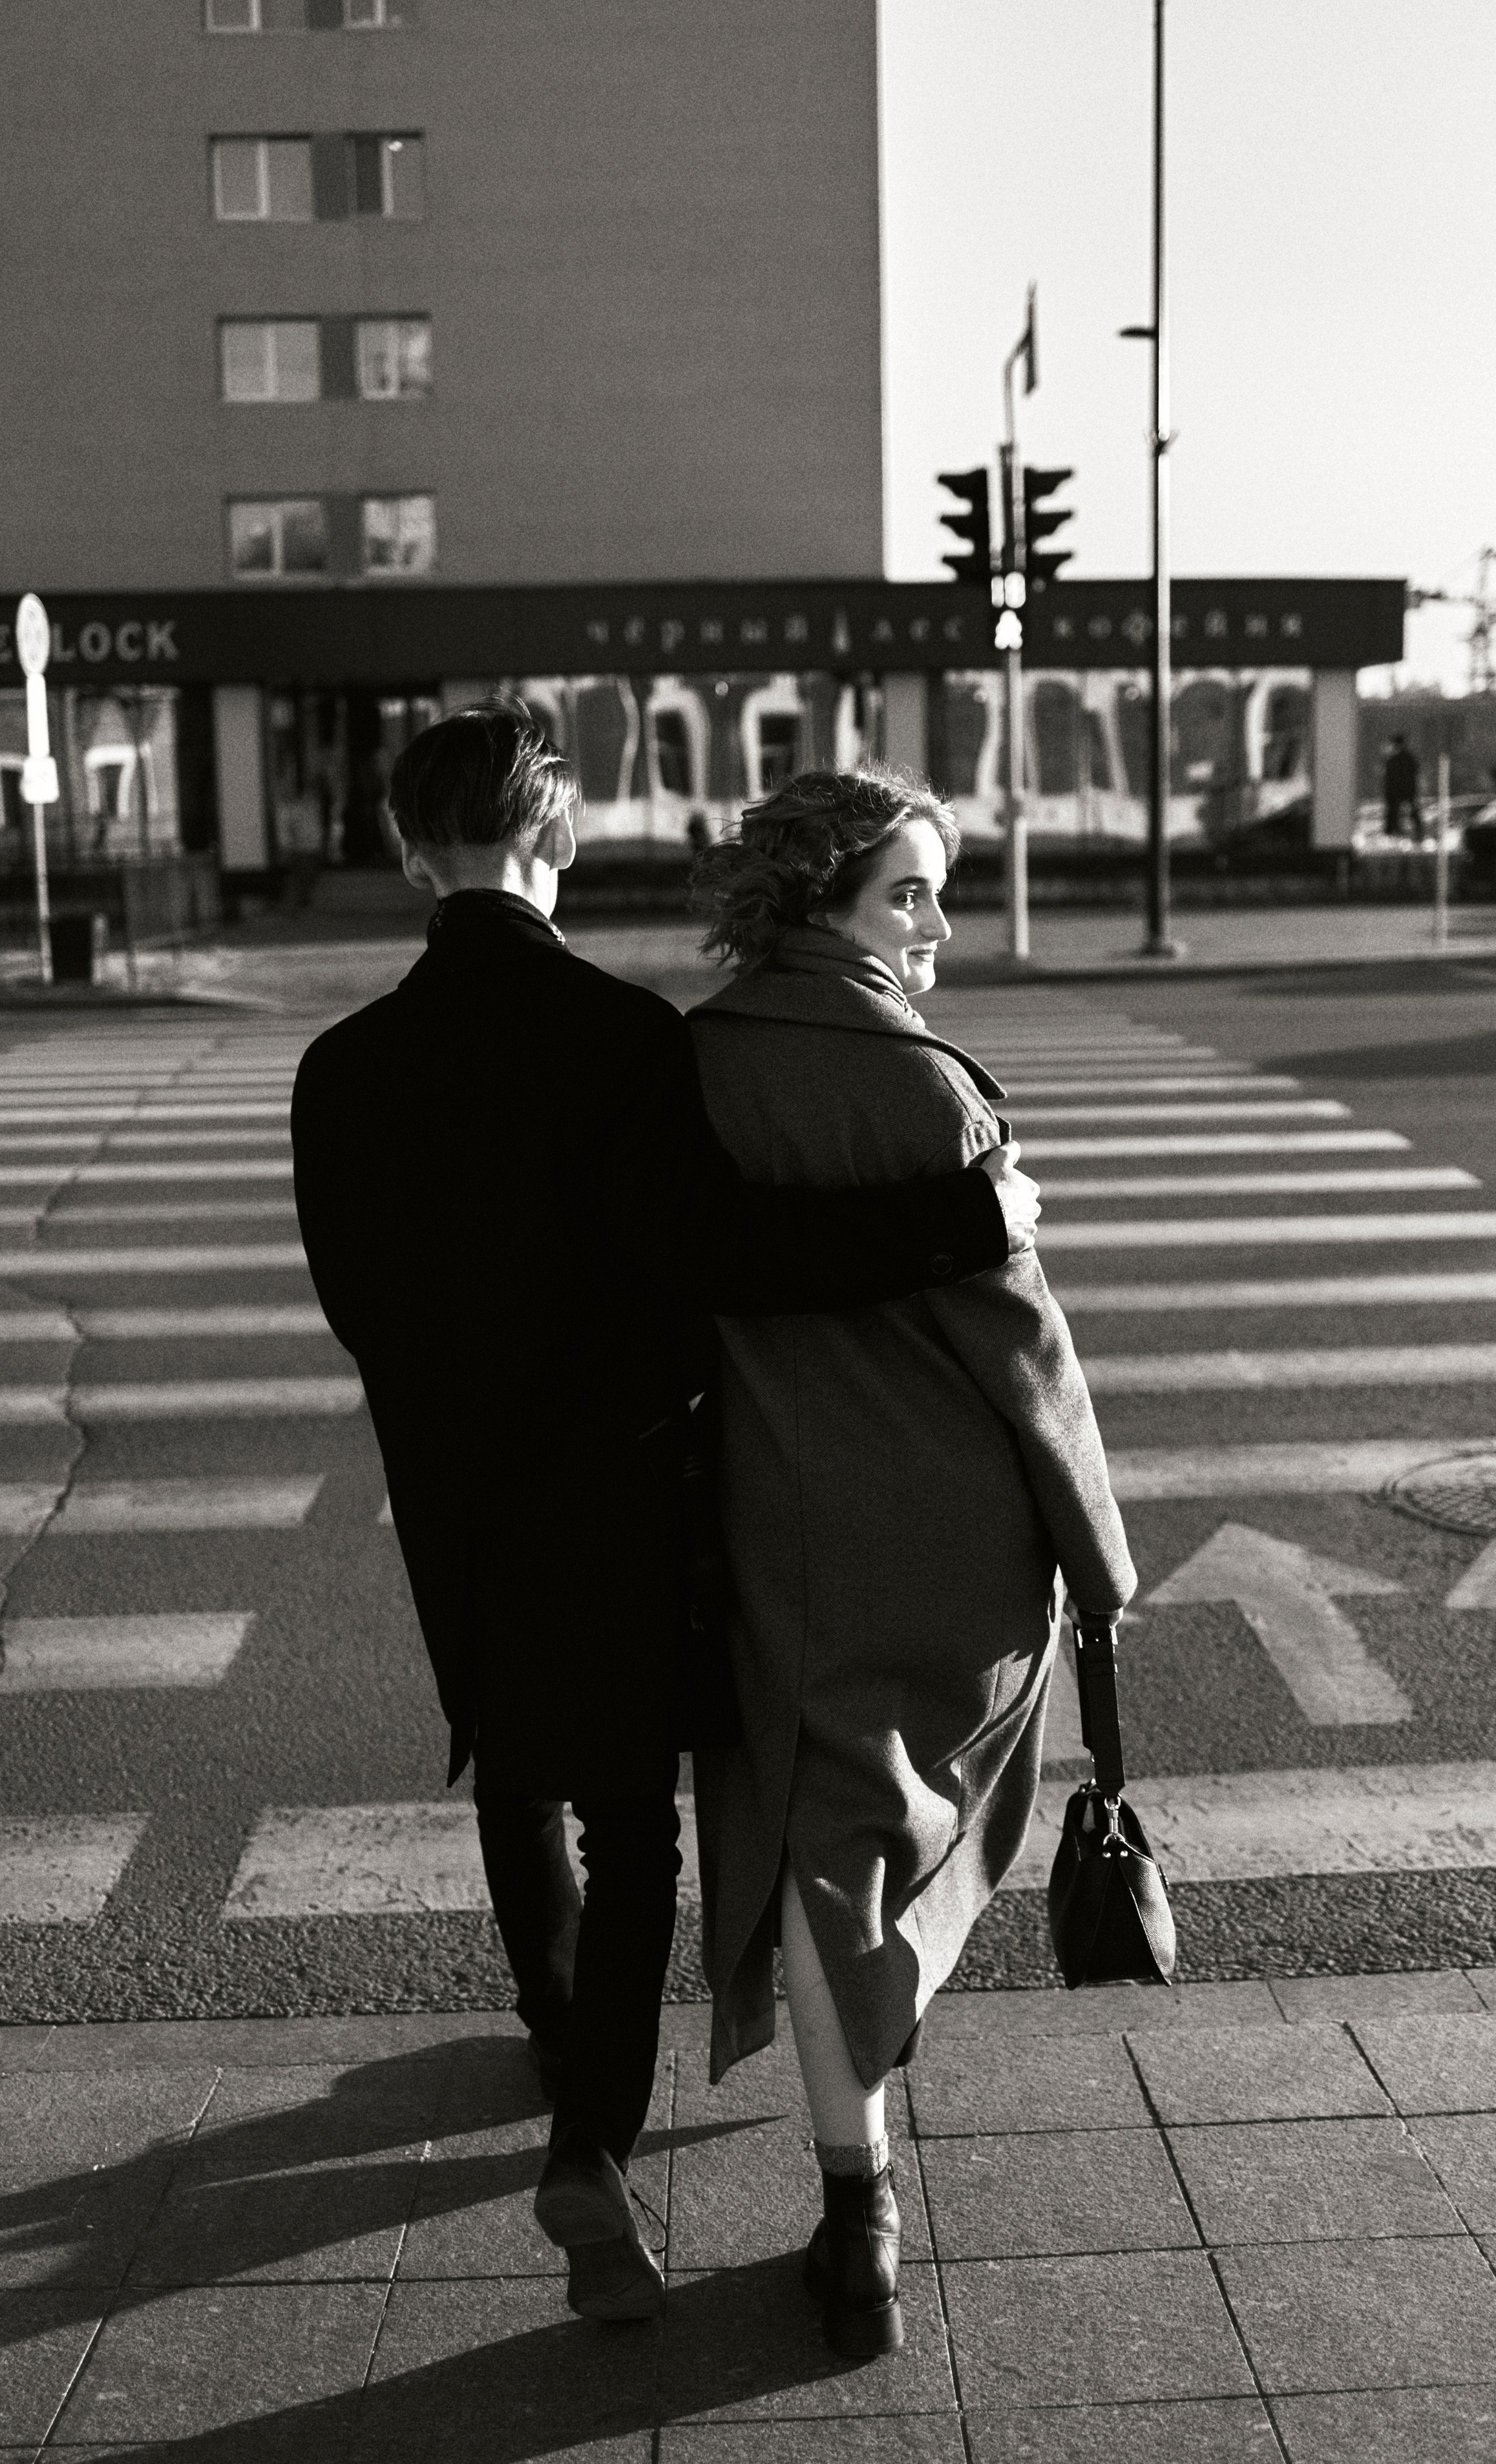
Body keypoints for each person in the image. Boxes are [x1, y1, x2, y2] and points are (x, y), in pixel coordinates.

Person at [289, 704, 1040, 2328]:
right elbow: (730, 1266)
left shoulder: (339, 1069)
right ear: (556, 838)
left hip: (458, 1490)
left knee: (515, 1763)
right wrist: (968, 1212)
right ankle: (590, 2134)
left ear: (414, 853)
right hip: (627, 1485)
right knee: (635, 1816)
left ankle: (557, 2036)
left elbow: (363, 1305)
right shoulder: (626, 1039)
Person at [688, 766, 1137, 2359]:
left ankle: (850, 2188)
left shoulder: (694, 1061)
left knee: (818, 1832)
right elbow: (1025, 1352)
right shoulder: (923, 1083)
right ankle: (866, 2117)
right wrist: (1097, 1550)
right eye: (907, 893)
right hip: (943, 1524)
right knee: (910, 1821)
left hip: (773, 1523)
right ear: (824, 898)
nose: (936, 923)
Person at [274, 779, 326, 908]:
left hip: (307, 846)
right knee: (302, 875)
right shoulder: (292, 808)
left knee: (305, 875)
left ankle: (299, 900)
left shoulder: (306, 807)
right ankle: (297, 901)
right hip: (303, 847)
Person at [1382, 732, 1421, 842]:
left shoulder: (1392, 760)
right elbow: (1415, 772)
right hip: (1408, 789)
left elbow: (1389, 777)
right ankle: (1418, 830)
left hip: (1395, 791)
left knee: (1393, 812)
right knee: (1413, 811)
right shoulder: (1409, 759)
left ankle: (1391, 833)